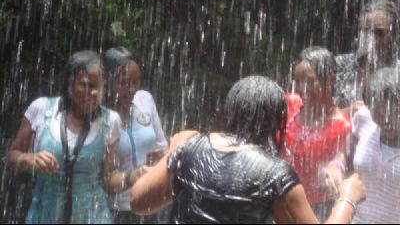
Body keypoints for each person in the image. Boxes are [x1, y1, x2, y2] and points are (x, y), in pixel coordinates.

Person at [131, 76, 365, 224]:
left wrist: (176, 150)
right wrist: (347, 199)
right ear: (277, 124)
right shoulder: (277, 176)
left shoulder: (189, 146)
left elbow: (139, 202)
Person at [7, 51, 145, 224]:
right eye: (86, 85)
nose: (94, 93)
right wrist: (29, 159)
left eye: (99, 87)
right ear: (69, 83)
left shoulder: (110, 121)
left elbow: (107, 179)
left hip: (93, 217)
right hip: (44, 214)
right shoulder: (41, 109)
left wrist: (131, 177)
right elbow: (11, 157)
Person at [323, 67, 400, 224]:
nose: (386, 121)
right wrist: (336, 166)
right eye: (378, 114)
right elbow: (346, 151)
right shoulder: (363, 119)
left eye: (393, 113)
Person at [284, 47, 352, 219]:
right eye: (298, 81)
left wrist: (335, 168)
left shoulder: (342, 125)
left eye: (309, 81)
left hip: (316, 210)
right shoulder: (289, 105)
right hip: (281, 201)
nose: (302, 88)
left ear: (331, 79)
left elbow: (341, 157)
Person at [103, 47, 168, 224]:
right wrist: (130, 177)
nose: (132, 89)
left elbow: (163, 146)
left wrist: (161, 157)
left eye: (136, 81)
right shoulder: (101, 118)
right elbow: (101, 178)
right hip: (118, 209)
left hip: (153, 203)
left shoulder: (145, 100)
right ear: (107, 82)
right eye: (124, 83)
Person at [336, 0, 399, 108]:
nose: (371, 39)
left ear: (395, 35)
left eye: (379, 32)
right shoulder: (340, 66)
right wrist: (346, 112)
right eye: (365, 31)